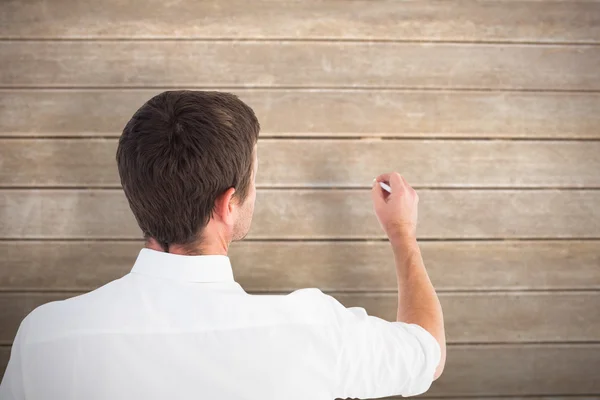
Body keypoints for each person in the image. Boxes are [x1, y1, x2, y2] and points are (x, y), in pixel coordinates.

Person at [0, 90, 446, 399]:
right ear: (227, 205)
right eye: (254, 181)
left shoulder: (45, 338)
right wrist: (401, 231)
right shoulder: (314, 331)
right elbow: (427, 353)